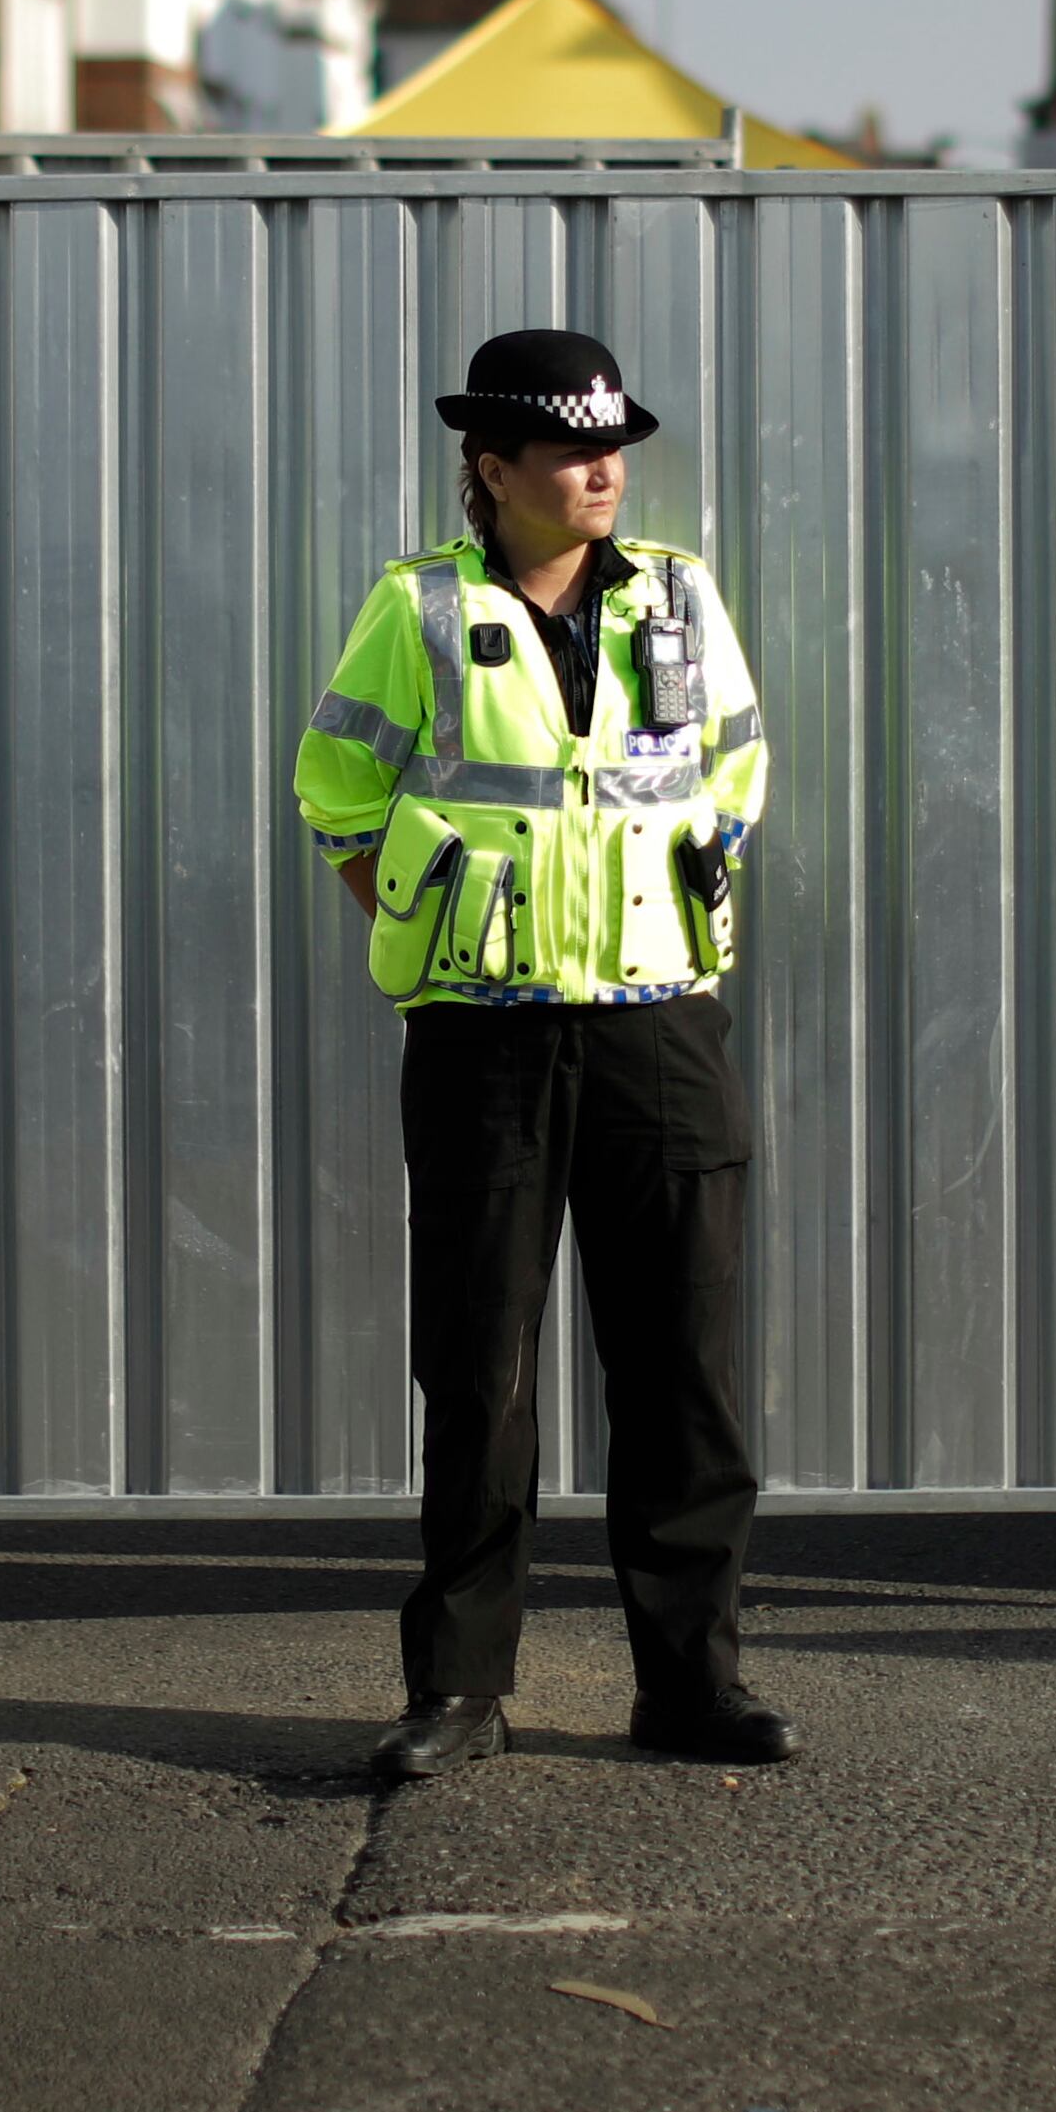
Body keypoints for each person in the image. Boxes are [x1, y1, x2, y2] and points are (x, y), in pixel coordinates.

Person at [291, 328, 798, 1782]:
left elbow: (737, 774)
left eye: (613, 443)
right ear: (492, 466)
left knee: (683, 1372)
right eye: (570, 447)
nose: (602, 467)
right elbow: (338, 793)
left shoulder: (680, 601)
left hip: (659, 1031)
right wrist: (435, 920)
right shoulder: (423, 611)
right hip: (486, 1046)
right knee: (481, 1371)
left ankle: (691, 1685)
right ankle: (459, 1688)